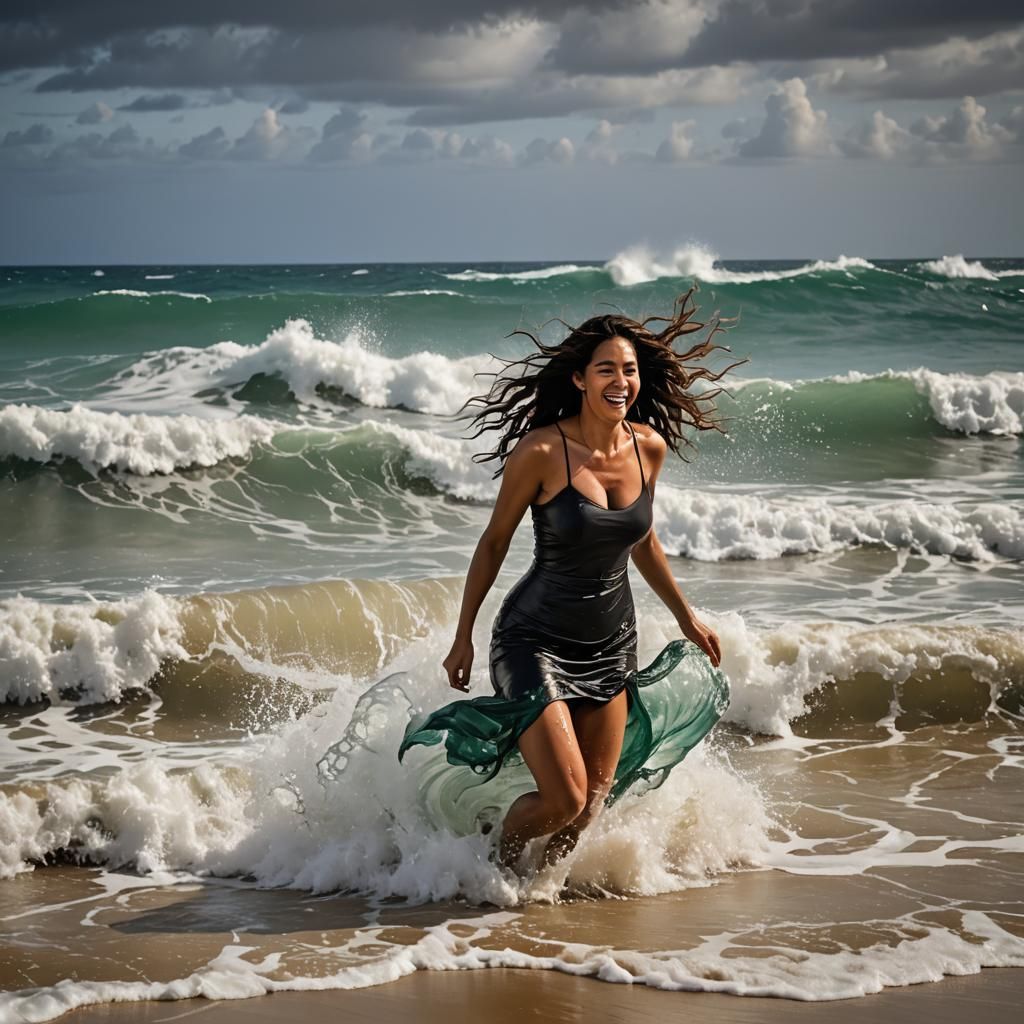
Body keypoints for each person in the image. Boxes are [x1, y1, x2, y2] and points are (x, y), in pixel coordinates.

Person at [399, 288, 747, 870]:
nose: (621, 380)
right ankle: (495, 869)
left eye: (629, 369)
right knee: (564, 797)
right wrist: (463, 636)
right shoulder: (542, 451)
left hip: (611, 644)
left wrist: (687, 617)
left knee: (589, 810)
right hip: (535, 639)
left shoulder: (648, 449)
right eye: (606, 368)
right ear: (580, 380)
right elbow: (493, 544)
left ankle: (541, 897)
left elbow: (644, 540)